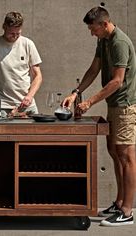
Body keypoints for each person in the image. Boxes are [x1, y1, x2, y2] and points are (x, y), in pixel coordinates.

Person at [62, 6, 136, 226]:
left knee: (127, 158)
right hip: (114, 105)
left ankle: (127, 211)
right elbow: (94, 69)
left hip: (125, 106)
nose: (91, 33)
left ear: (104, 24)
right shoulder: (103, 41)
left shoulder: (119, 43)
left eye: (93, 29)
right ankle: (120, 201)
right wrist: (75, 93)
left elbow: (117, 81)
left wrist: (89, 102)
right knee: (114, 153)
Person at [0, 11, 42, 116]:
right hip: (1, 106)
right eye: (12, 33)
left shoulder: (28, 44)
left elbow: (38, 75)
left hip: (27, 106)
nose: (15, 36)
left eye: (18, 33)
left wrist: (30, 96)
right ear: (4, 27)